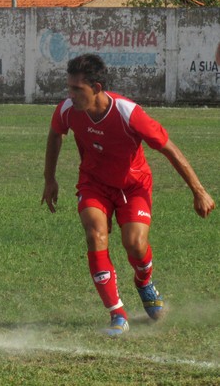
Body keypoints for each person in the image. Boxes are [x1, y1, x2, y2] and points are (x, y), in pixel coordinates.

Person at [41, 54, 215, 336]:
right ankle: (117, 314)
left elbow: (169, 148)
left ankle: (144, 281)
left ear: (96, 88)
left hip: (133, 186)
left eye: (76, 89)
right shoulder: (67, 110)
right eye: (69, 88)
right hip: (94, 184)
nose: (70, 95)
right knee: (95, 234)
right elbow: (55, 134)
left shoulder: (128, 112)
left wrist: (199, 191)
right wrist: (49, 179)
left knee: (134, 244)